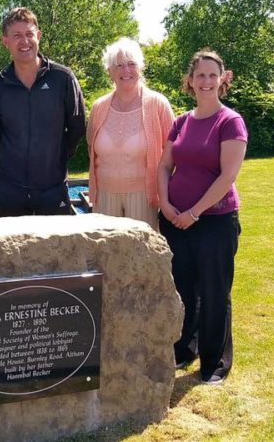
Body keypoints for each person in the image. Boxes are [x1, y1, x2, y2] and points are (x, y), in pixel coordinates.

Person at [157, 49, 248, 385]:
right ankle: (184, 349)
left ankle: (214, 362)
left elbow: (227, 177)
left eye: (213, 75)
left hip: (214, 222)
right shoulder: (180, 121)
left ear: (223, 79)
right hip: (175, 220)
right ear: (190, 81)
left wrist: (194, 213)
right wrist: (165, 204)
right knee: (182, 288)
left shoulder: (230, 122)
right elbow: (165, 166)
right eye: (200, 75)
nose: (206, 81)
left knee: (213, 291)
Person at [0, 7, 86, 217]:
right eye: (16, 36)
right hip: (10, 189)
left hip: (53, 188)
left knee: (58, 248)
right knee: (11, 248)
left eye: (29, 34)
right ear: (5, 41)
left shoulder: (63, 78)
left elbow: (78, 126)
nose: (24, 41)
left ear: (39, 36)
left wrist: (58, 156)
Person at [87, 38, 175, 230]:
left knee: (142, 257)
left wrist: (167, 197)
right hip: (104, 198)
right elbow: (90, 149)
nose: (125, 71)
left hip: (144, 198)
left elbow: (173, 154)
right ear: (109, 71)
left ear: (141, 67)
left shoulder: (158, 104)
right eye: (118, 65)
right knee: (106, 257)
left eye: (131, 64)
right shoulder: (98, 107)